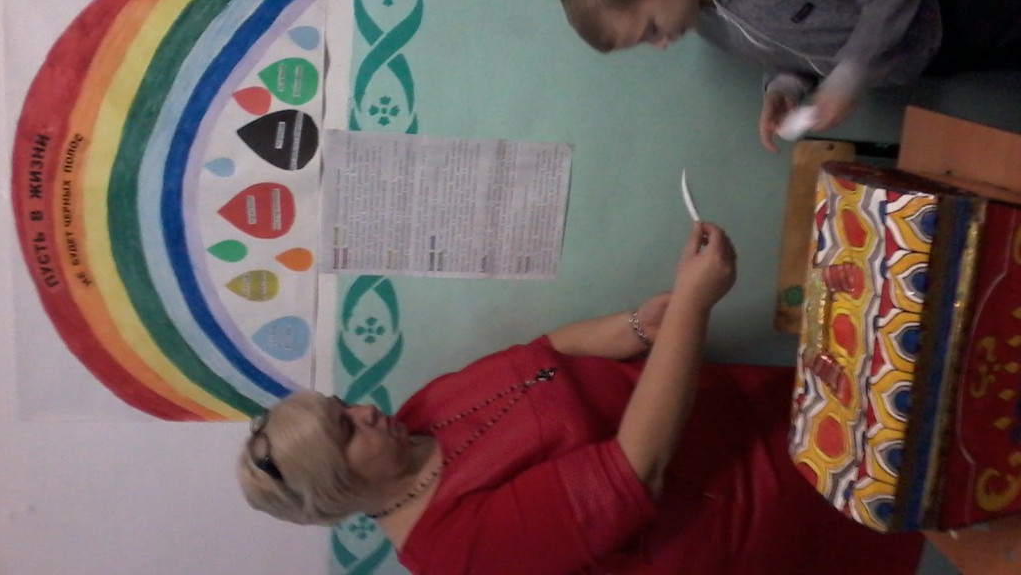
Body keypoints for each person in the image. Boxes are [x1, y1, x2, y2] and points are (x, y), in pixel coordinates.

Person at [238, 220, 926, 574]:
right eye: (347, 431)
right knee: (929, 475)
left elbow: (545, 353)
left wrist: (638, 327)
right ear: (341, 487)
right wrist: (692, 306)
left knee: (923, 405)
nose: (364, 410)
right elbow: (636, 468)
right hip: (765, 510)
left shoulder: (417, 416)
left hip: (752, 413)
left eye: (342, 405)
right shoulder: (458, 552)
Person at [551, 0, 1021, 151]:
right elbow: (794, 44)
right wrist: (785, 87)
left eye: (651, 29)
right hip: (933, 50)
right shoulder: (706, 19)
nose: (660, 44)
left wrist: (848, 78)